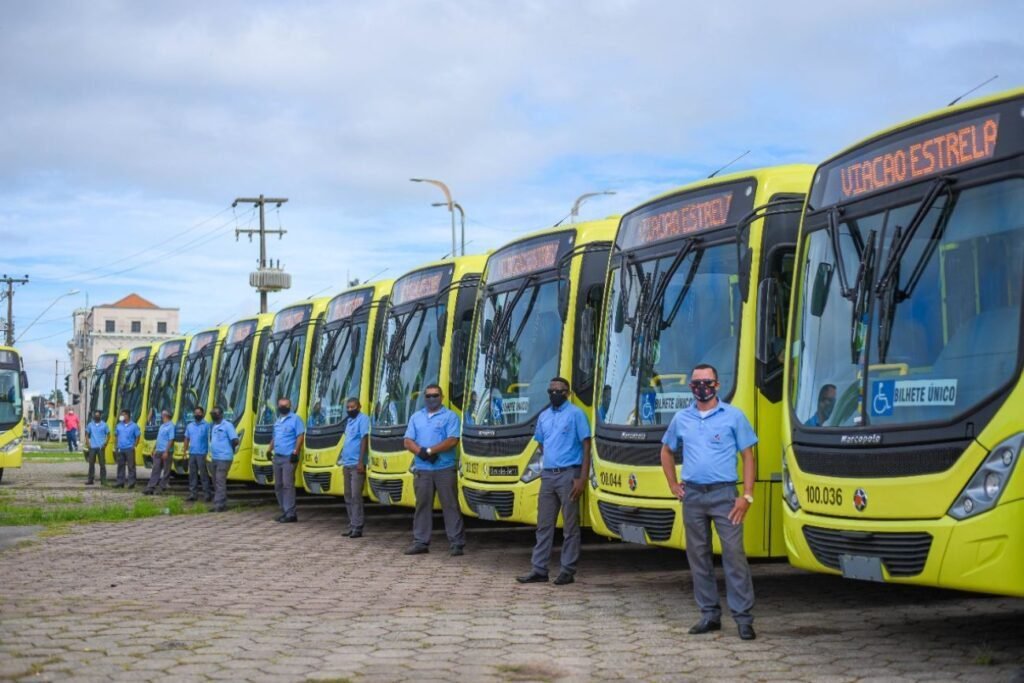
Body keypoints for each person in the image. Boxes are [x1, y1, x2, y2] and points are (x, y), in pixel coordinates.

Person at [659, 363, 758, 641]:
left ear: (717, 385)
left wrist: (747, 495)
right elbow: (666, 451)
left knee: (734, 556)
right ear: (691, 387)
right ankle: (709, 614)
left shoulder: (734, 417)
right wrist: (672, 484)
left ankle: (743, 619)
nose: (701, 387)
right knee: (698, 557)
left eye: (706, 382)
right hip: (693, 496)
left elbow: (749, 457)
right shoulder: (682, 418)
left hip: (725, 495)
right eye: (696, 383)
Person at [517, 377, 591, 586]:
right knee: (544, 524)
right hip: (548, 475)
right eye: (550, 391)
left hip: (569, 474)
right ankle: (539, 569)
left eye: (558, 391)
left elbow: (586, 446)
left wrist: (582, 478)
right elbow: (541, 444)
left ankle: (567, 570)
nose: (554, 394)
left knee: (570, 526)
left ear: (567, 393)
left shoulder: (576, 414)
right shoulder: (544, 416)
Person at [402, 384, 464, 556]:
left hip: (444, 468)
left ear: (442, 397)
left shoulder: (450, 416)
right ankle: (420, 542)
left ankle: (456, 543)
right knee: (422, 506)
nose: (431, 399)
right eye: (428, 396)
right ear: (424, 398)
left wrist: (430, 451)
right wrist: (421, 452)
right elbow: (407, 441)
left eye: (435, 395)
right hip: (423, 469)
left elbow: (452, 440)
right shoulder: (416, 417)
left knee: (450, 505)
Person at [269, 397, 304, 523]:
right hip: (277, 457)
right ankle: (284, 510)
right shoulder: (277, 421)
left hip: (289, 457)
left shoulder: (295, 419)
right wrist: (269, 450)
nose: (283, 407)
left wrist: (296, 451)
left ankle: (291, 513)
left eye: (286, 405)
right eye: (281, 405)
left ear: (290, 406)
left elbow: (300, 436)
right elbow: (275, 437)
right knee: (278, 485)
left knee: (287, 485)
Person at [338, 397, 370, 537]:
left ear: (359, 406)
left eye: (353, 407)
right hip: (346, 463)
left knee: (356, 496)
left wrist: (361, 461)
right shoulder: (349, 421)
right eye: (348, 407)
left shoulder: (363, 419)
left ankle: (358, 527)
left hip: (357, 465)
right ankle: (352, 524)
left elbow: (364, 439)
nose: (350, 409)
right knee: (348, 495)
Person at [209, 406, 240, 512]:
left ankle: (220, 505)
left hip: (224, 457)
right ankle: (220, 501)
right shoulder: (213, 426)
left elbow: (235, 440)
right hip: (215, 457)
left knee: (219, 480)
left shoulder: (227, 425)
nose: (213, 415)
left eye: (216, 413)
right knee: (215, 480)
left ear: (221, 414)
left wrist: (228, 450)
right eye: (212, 413)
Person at [182, 406, 211, 503]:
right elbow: (186, 439)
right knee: (192, 475)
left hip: (202, 454)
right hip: (192, 454)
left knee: (203, 475)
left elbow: (210, 439)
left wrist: (209, 453)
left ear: (202, 414)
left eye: (199, 413)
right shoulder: (190, 426)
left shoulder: (207, 426)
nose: (197, 415)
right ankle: (193, 494)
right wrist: (184, 452)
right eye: (195, 413)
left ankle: (207, 494)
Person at [143, 410, 175, 495]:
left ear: (166, 416)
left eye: (162, 414)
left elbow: (171, 440)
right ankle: (150, 487)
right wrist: (154, 448)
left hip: (166, 452)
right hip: (158, 451)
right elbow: (158, 439)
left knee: (166, 471)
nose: (161, 416)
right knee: (155, 469)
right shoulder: (161, 426)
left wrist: (166, 451)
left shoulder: (171, 426)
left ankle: (162, 487)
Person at [113, 409, 141, 488]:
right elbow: (116, 436)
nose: (122, 416)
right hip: (120, 448)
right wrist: (116, 446)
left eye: (123, 414)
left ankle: (131, 482)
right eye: (121, 415)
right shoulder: (119, 425)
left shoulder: (134, 426)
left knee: (131, 466)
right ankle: (120, 482)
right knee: (120, 465)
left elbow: (138, 436)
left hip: (129, 448)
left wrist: (134, 445)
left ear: (128, 416)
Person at [84, 410, 109, 486]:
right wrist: (88, 443)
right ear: (94, 416)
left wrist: (105, 443)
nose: (96, 416)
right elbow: (87, 434)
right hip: (92, 447)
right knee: (91, 464)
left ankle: (103, 481)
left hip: (101, 447)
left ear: (100, 416)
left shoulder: (104, 425)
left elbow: (108, 434)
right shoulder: (90, 425)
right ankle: (90, 480)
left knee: (102, 464)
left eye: (98, 415)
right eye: (95, 415)